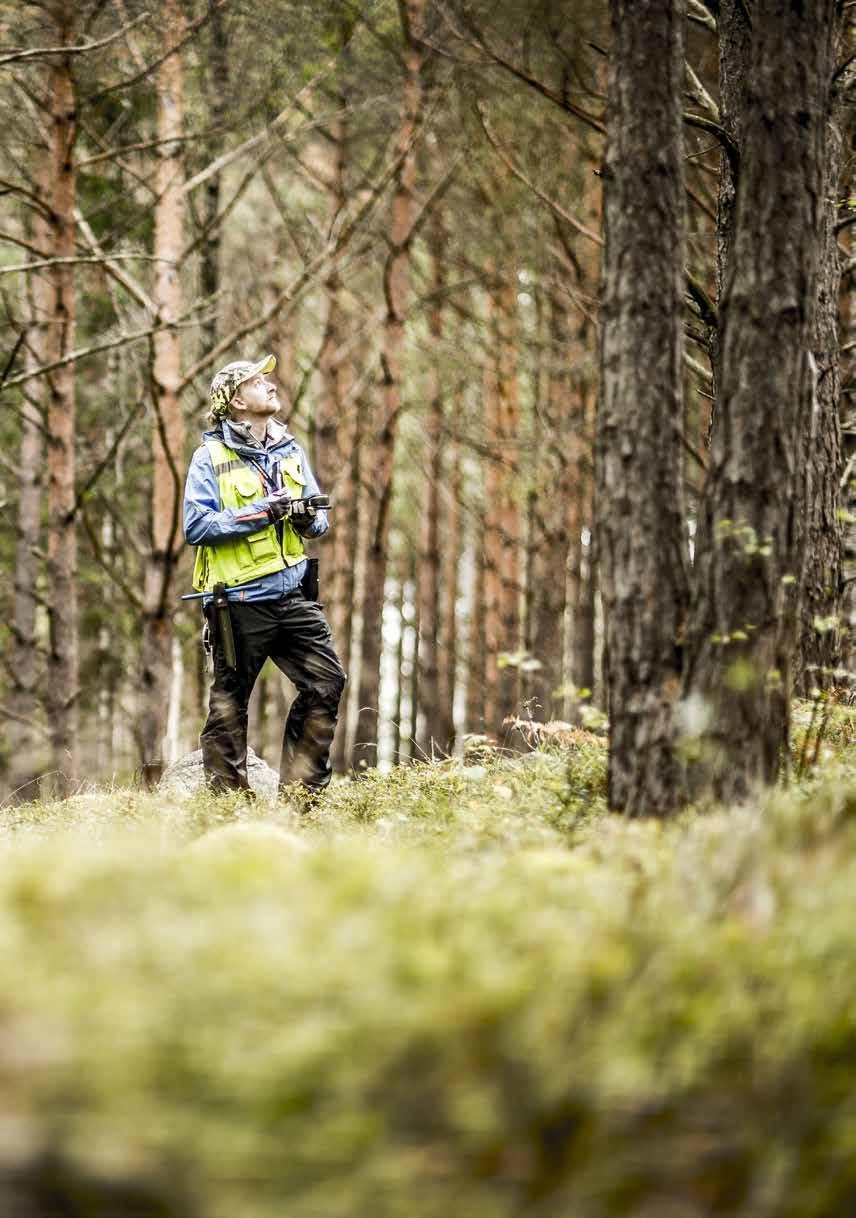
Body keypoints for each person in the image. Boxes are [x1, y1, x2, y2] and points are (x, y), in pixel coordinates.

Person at [183, 353, 346, 804]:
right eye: (258, 382)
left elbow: (320, 523)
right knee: (230, 704)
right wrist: (260, 514)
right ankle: (230, 804)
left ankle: (301, 799)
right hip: (238, 602)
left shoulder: (290, 449)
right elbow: (197, 526)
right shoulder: (209, 457)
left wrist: (306, 518)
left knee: (326, 682)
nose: (271, 386)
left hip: (293, 596)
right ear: (236, 400)